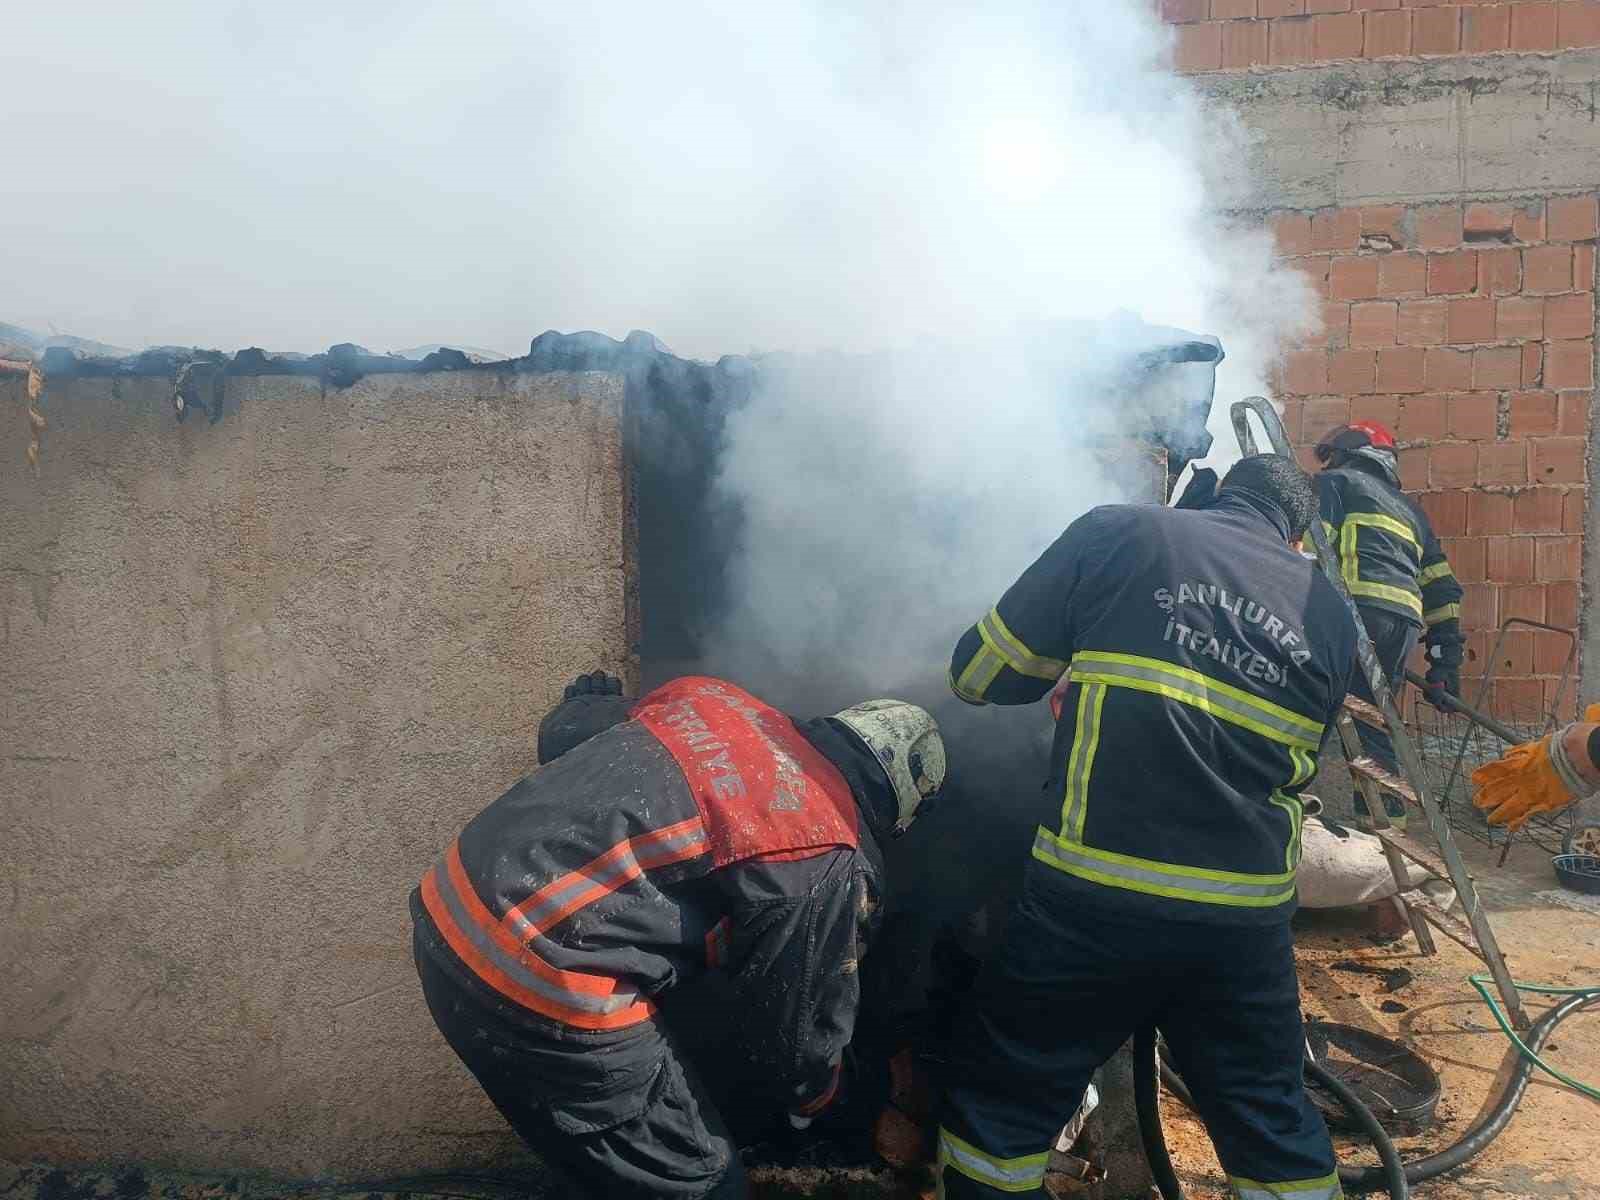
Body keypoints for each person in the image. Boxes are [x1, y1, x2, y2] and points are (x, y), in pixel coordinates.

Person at [938, 455, 1356, 1200]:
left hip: (1093, 903)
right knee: (1271, 1123)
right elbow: (1288, 757)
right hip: (1242, 922)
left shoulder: (1119, 534)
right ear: (1297, 537)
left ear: (1216, 496)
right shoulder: (1329, 611)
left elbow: (977, 675)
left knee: (1002, 1109)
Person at [411, 671, 945, 1200]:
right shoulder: (823, 849)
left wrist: (586, 702)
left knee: (608, 1170)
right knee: (703, 1185)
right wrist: (829, 1100)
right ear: (899, 810)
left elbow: (563, 731)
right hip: (543, 985)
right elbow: (790, 1037)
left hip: (448, 916)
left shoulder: (713, 701)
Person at [1314, 420, 1464, 829]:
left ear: (1348, 454)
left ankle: (1284, 808)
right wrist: (1444, 666)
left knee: (1308, 704)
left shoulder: (1333, 485)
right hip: (1400, 626)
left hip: (1346, 612)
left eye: (1332, 457)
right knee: (1371, 720)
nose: (1327, 465)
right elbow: (1443, 591)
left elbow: (1310, 551)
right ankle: (1384, 827)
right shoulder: (1413, 512)